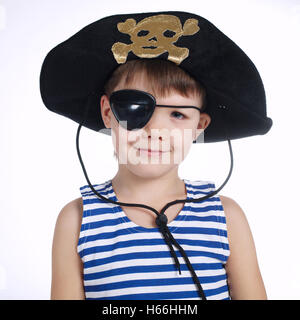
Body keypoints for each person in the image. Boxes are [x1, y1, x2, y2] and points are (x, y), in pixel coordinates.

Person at [40, 11, 272, 300]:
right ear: (108, 113)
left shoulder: (225, 218)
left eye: (177, 113)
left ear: (199, 126)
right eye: (135, 108)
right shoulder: (77, 221)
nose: (155, 130)